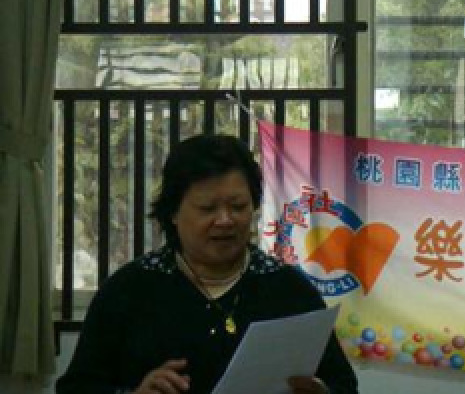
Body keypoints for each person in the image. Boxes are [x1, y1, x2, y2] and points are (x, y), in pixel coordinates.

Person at [56, 134, 359, 394]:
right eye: (207, 208)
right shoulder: (128, 291)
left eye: (238, 206)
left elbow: (343, 385)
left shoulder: (289, 290)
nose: (225, 220)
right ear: (173, 213)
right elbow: (75, 388)